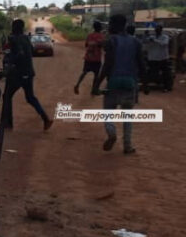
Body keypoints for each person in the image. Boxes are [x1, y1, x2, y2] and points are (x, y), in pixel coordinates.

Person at [94, 14, 144, 155]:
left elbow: (107, 65)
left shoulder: (111, 41)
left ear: (115, 25)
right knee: (127, 117)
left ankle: (111, 132)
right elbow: (141, 64)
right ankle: (127, 146)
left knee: (108, 113)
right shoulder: (136, 42)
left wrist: (97, 84)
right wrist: (144, 84)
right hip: (130, 84)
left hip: (113, 83)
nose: (108, 26)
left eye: (110, 24)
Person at [2, 19, 53, 131]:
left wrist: (11, 60)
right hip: (29, 72)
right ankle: (46, 119)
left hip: (19, 73)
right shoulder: (26, 38)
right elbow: (31, 49)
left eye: (13, 26)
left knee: (7, 96)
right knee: (30, 98)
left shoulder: (14, 38)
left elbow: (20, 54)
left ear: (15, 28)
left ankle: (8, 123)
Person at [74, 21, 105, 95]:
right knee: (96, 75)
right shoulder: (101, 36)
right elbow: (102, 46)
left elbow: (86, 45)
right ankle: (93, 90)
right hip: (97, 59)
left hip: (88, 57)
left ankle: (77, 84)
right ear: (100, 28)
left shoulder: (90, 35)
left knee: (84, 72)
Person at [143, 24, 172, 92]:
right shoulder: (151, 37)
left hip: (163, 58)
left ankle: (167, 87)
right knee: (152, 73)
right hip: (153, 58)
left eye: (158, 29)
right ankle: (150, 85)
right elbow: (144, 43)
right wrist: (146, 36)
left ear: (161, 30)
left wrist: (155, 40)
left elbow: (164, 44)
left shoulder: (165, 37)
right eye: (156, 29)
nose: (157, 30)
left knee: (166, 73)